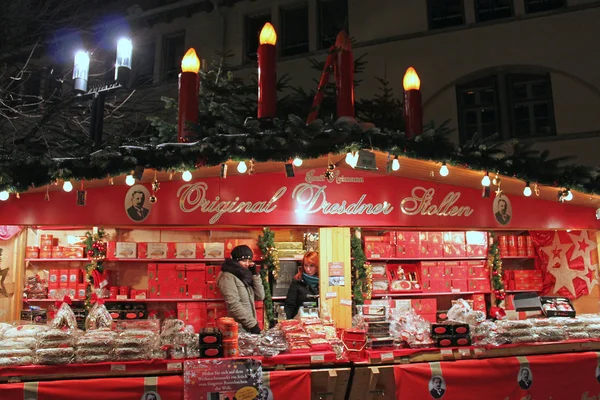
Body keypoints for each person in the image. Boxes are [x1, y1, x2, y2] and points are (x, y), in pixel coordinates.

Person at [217, 245, 265, 333]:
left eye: (249, 261)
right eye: (243, 261)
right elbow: (234, 304)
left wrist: (255, 274)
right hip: (238, 329)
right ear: (235, 260)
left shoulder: (245, 276)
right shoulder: (227, 277)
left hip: (249, 328)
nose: (247, 264)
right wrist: (253, 325)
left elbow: (260, 296)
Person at [284, 251, 319, 319]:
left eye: (312, 266)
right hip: (300, 320)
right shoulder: (297, 280)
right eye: (306, 265)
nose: (308, 269)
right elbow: (289, 305)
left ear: (317, 266)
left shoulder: (324, 282)